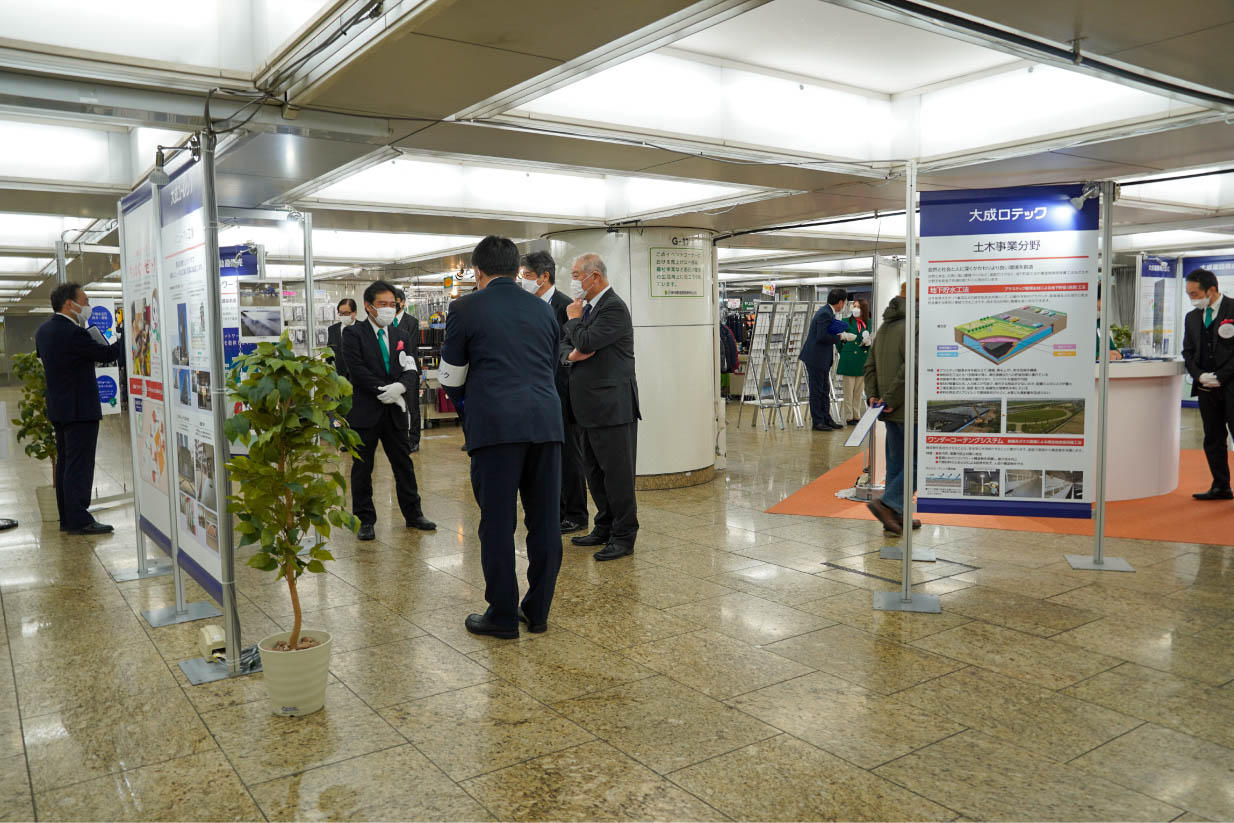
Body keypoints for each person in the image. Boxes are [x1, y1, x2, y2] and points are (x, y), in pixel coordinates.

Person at [440, 236, 563, 638]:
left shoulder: (464, 307)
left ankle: (503, 616)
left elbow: (451, 377)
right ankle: (538, 611)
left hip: (496, 429)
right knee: (544, 522)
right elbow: (550, 366)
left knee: (497, 522)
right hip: (546, 424)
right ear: (515, 269)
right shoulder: (544, 309)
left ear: (478, 272)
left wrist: (469, 407)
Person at [341, 281, 435, 540]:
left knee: (404, 465)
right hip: (365, 411)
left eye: (392, 305)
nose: (388, 309)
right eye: (382, 304)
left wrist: (400, 388)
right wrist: (385, 389)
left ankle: (414, 514)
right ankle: (365, 520)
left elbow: (411, 369)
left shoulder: (401, 335)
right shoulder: (353, 334)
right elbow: (356, 370)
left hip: (394, 411)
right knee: (362, 468)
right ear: (369, 306)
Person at [562, 253, 640, 561]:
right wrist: (572, 352)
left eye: (578, 274)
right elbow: (567, 346)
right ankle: (604, 526)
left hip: (613, 408)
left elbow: (586, 341)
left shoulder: (613, 308)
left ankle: (624, 535)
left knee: (617, 476)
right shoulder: (588, 308)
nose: (575, 280)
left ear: (595, 276)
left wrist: (572, 322)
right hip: (587, 409)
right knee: (594, 473)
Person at [35, 282, 124, 535]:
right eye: (84, 302)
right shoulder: (73, 333)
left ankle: (67, 517)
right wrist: (129, 332)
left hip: (59, 408)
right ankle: (79, 520)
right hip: (80, 410)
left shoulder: (43, 331)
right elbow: (108, 354)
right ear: (69, 304)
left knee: (66, 463)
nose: (87, 307)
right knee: (80, 466)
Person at [520, 250, 588, 535]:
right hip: (536, 391)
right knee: (547, 456)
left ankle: (576, 514)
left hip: (563, 391)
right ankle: (555, 510)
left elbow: (571, 349)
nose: (522, 282)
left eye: (526, 276)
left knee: (569, 456)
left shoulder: (565, 306)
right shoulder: (526, 306)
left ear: (544, 276)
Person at [862, 291, 921, 534]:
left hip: (887, 409)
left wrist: (875, 396)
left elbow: (870, 366)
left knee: (897, 463)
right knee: (918, 463)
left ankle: (896, 516)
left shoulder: (884, 328)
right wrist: (892, 398)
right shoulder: (915, 326)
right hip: (909, 407)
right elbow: (912, 367)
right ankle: (888, 504)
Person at [1182, 267, 1234, 501]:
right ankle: (1221, 485)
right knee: (1212, 438)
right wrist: (1199, 375)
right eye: (1188, 294)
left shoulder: (1233, 309)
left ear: (1211, 290)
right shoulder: (1192, 317)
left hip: (1232, 385)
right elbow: (1188, 351)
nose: (1192, 298)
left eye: (1194, 293)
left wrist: (1221, 376)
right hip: (1205, 388)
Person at [799, 288, 855, 431]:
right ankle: (818, 421)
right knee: (817, 391)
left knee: (824, 389)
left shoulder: (828, 312)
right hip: (815, 358)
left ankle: (826, 419)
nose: (844, 305)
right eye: (845, 302)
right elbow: (821, 336)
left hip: (821, 358)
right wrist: (841, 337)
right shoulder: (825, 313)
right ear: (840, 302)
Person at [390, 287, 422, 452]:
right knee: (396, 406)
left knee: (412, 406)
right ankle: (399, 438)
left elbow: (409, 346)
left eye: (394, 302)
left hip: (409, 369)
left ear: (402, 302)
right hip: (392, 371)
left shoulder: (411, 322)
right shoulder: (386, 321)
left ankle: (414, 439)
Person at [836, 296, 872, 424]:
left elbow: (873, 338)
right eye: (854, 306)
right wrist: (843, 352)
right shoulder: (845, 322)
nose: (855, 309)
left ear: (864, 309)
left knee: (858, 391)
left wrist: (869, 343)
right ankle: (849, 416)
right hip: (849, 359)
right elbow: (838, 340)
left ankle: (857, 415)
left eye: (858, 307)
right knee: (848, 391)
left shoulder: (869, 322)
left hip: (862, 359)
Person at [326, 298, 356, 380]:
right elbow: (329, 352)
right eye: (341, 313)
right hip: (339, 377)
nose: (343, 316)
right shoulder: (332, 329)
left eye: (346, 313)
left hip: (359, 378)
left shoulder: (364, 328)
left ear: (355, 312)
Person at [1096, 284, 1123, 361]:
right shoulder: (1082, 324)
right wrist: (1098, 356)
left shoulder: (1100, 323)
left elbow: (1112, 347)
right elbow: (1080, 352)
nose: (1101, 311)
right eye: (1099, 308)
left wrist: (1117, 354)